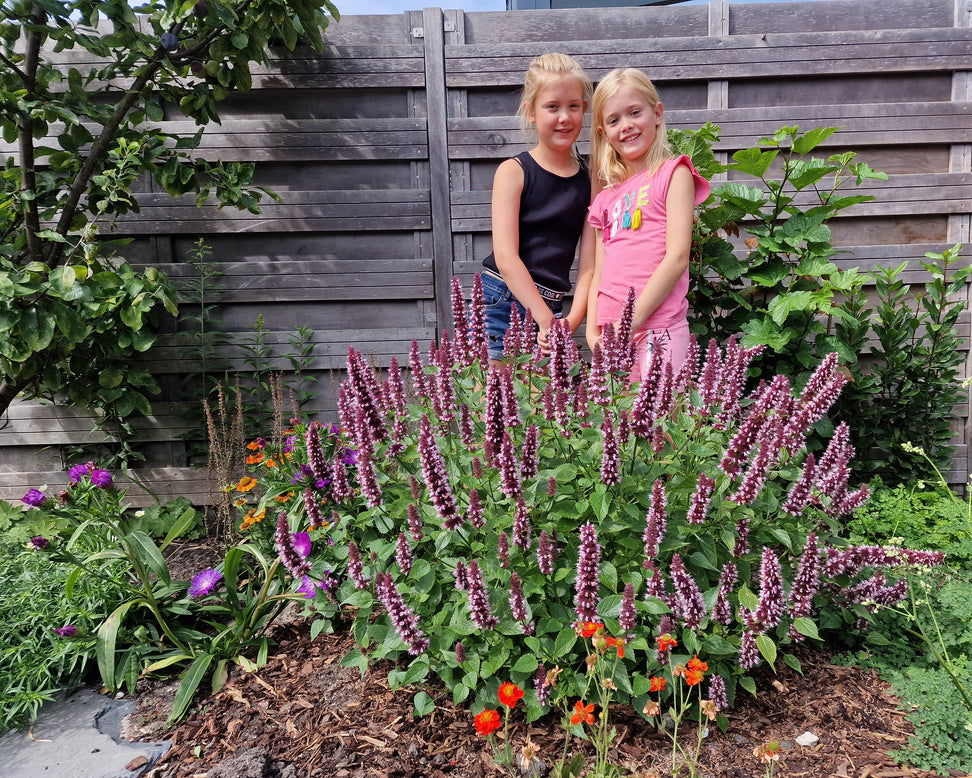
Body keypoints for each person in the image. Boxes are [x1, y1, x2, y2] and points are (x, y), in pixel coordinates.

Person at [586, 68, 710, 382]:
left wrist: (631, 323)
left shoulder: (673, 174)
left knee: (663, 413)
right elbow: (599, 271)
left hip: (660, 329)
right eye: (614, 120)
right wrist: (591, 330)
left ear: (657, 114)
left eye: (634, 112)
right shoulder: (606, 199)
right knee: (619, 415)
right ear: (603, 132)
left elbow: (677, 257)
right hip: (611, 334)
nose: (626, 125)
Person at [481, 53, 596, 365]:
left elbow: (589, 265)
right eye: (552, 107)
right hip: (504, 298)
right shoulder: (513, 172)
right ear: (530, 111)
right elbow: (506, 257)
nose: (564, 117)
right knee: (497, 392)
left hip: (553, 307)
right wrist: (546, 320)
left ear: (585, 108)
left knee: (547, 396)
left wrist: (570, 320)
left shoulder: (590, 179)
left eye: (574, 106)